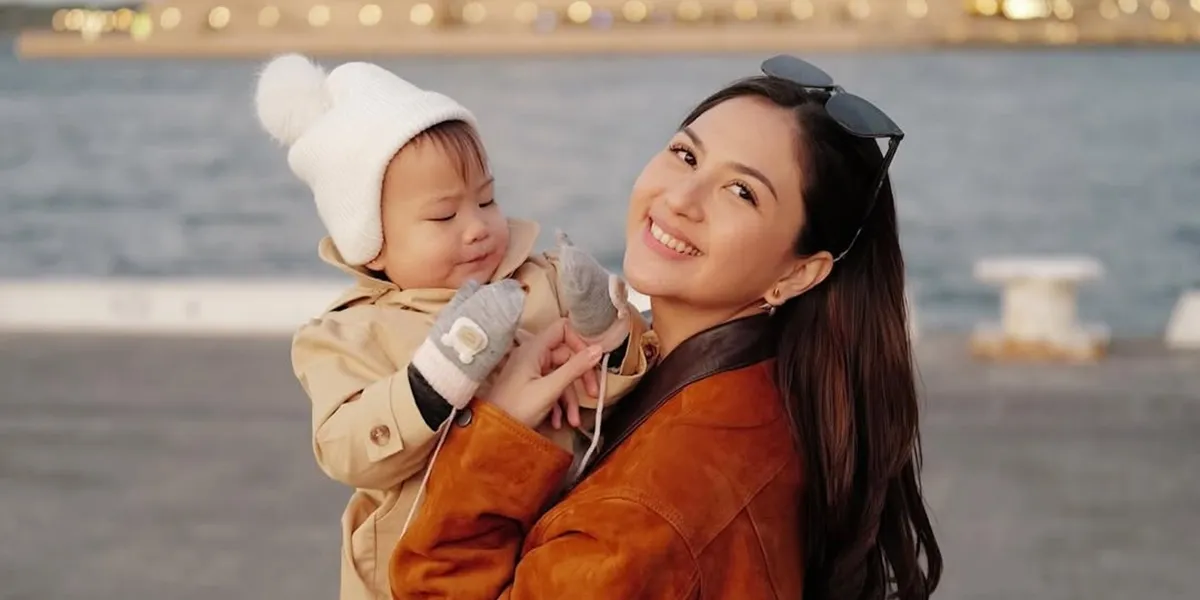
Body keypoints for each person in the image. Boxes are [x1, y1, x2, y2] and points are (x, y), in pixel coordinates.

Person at [388, 55, 943, 600]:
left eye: (741, 191)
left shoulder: (641, 516)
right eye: (685, 155)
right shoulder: (778, 389)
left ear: (799, 273)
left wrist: (497, 441)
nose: (680, 199)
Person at [254, 54, 655, 600]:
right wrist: (434, 379)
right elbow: (344, 449)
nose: (478, 228)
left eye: (487, 199)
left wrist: (605, 334)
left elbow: (612, 400)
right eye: (444, 217)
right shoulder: (350, 334)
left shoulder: (541, 281)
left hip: (555, 548)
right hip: (420, 571)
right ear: (369, 243)